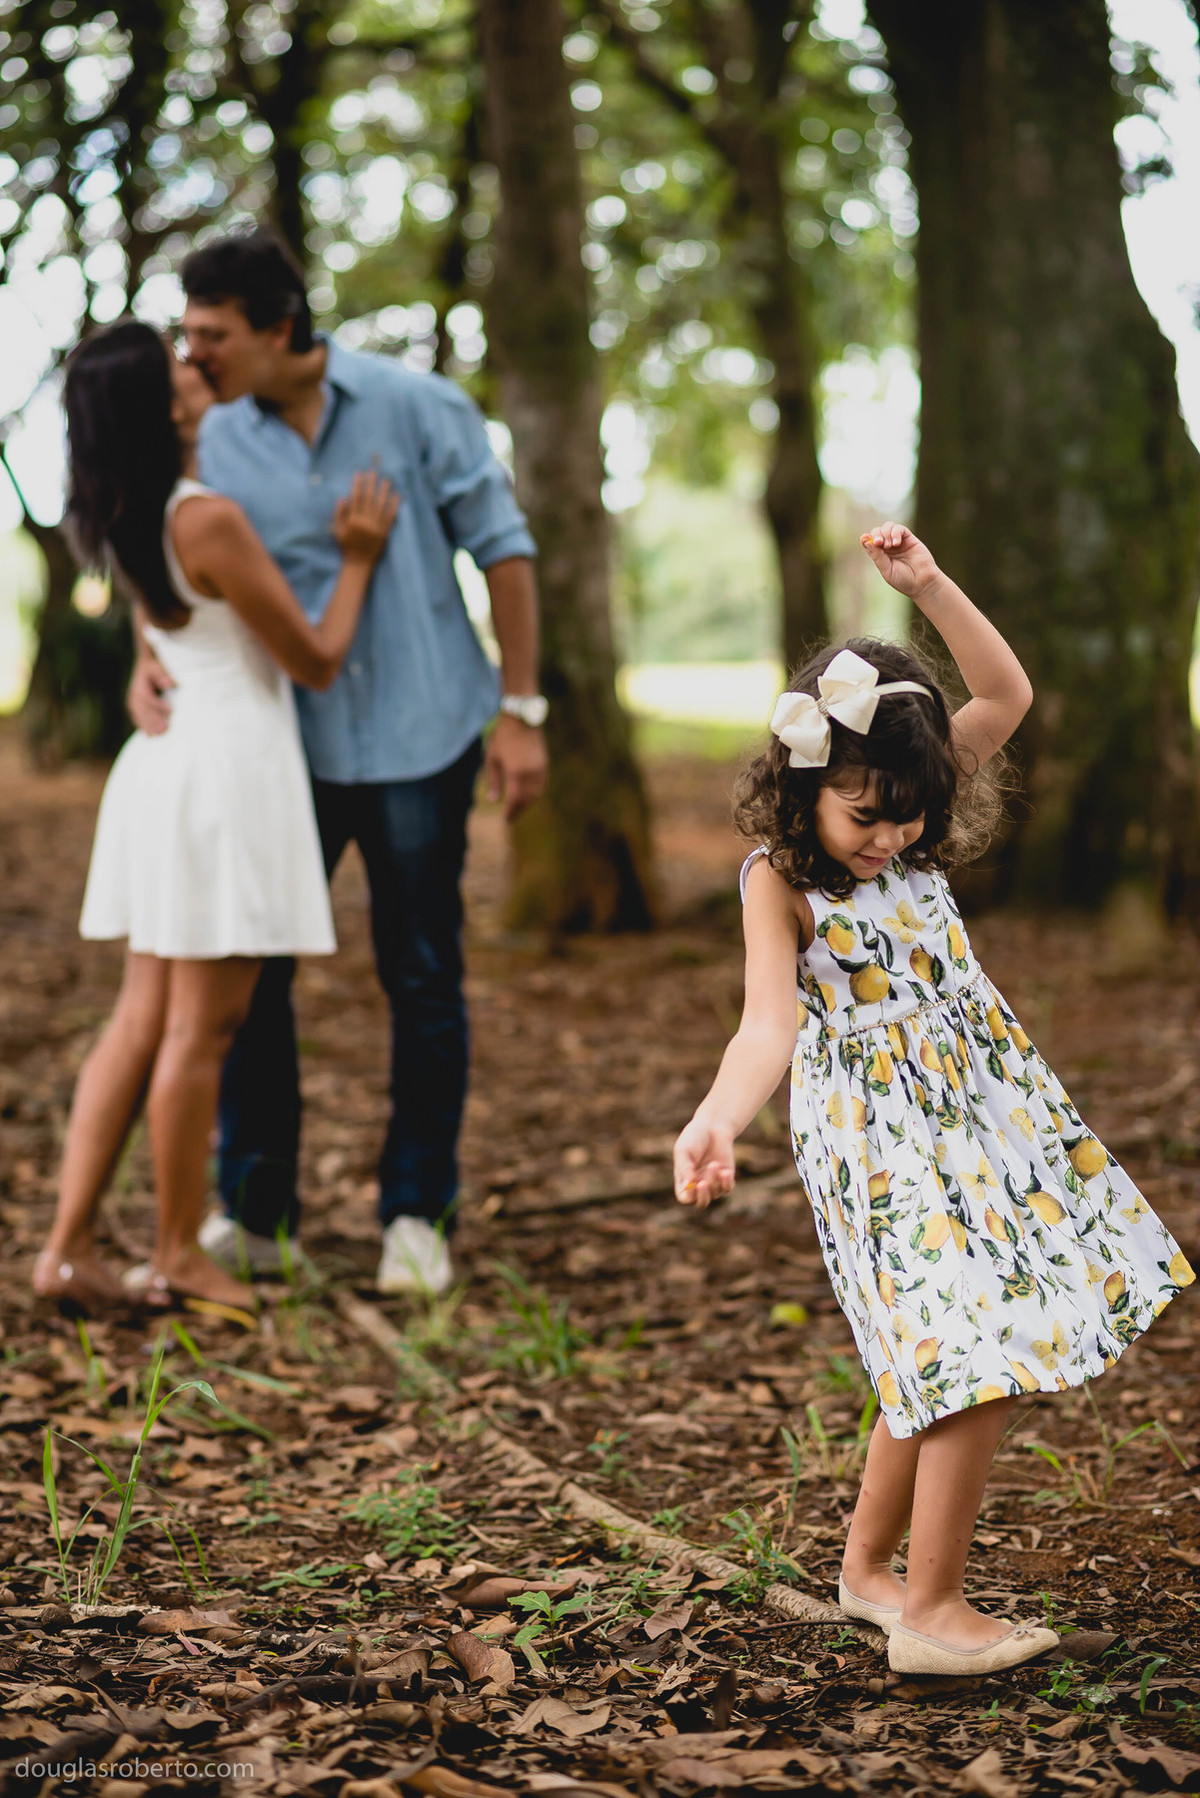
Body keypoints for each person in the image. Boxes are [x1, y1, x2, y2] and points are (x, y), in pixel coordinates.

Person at [673, 521, 1194, 1677]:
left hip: (981, 1114)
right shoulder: (780, 883)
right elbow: (768, 1024)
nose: (893, 836)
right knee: (973, 1356)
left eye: (909, 816)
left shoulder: (906, 820)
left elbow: (1005, 691)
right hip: (875, 1133)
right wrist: (717, 1117)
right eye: (865, 816)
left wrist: (929, 586)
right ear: (805, 787)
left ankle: (871, 1574)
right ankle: (936, 1608)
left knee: (933, 1352)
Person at [127, 231, 547, 1298]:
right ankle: (258, 1212)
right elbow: (171, 558)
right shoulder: (210, 437)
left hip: (423, 734)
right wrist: (146, 657)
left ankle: (417, 1212)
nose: (196, 352)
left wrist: (521, 710)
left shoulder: (419, 407)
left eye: (212, 334)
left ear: (278, 328)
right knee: (251, 978)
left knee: (420, 971)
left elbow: (503, 550)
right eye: (188, 332)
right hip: (283, 754)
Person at [34, 320, 399, 1315]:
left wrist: (149, 665)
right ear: (163, 405)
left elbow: (164, 630)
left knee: (143, 1018)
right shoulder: (207, 518)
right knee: (204, 1026)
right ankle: (176, 1253)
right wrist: (359, 556)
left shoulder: (124, 508)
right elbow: (316, 658)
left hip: (169, 765)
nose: (195, 368)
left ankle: (66, 1248)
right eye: (177, 365)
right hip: (229, 769)